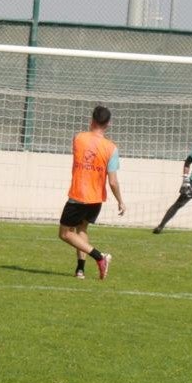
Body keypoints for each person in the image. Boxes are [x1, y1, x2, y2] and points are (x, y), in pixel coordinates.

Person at [58, 105, 124, 280]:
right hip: (96, 199)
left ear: (92, 119)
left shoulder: (78, 138)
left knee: (65, 233)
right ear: (108, 124)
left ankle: (99, 256)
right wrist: (120, 201)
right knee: (82, 229)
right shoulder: (112, 148)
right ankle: (80, 270)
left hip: (79, 195)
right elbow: (113, 181)